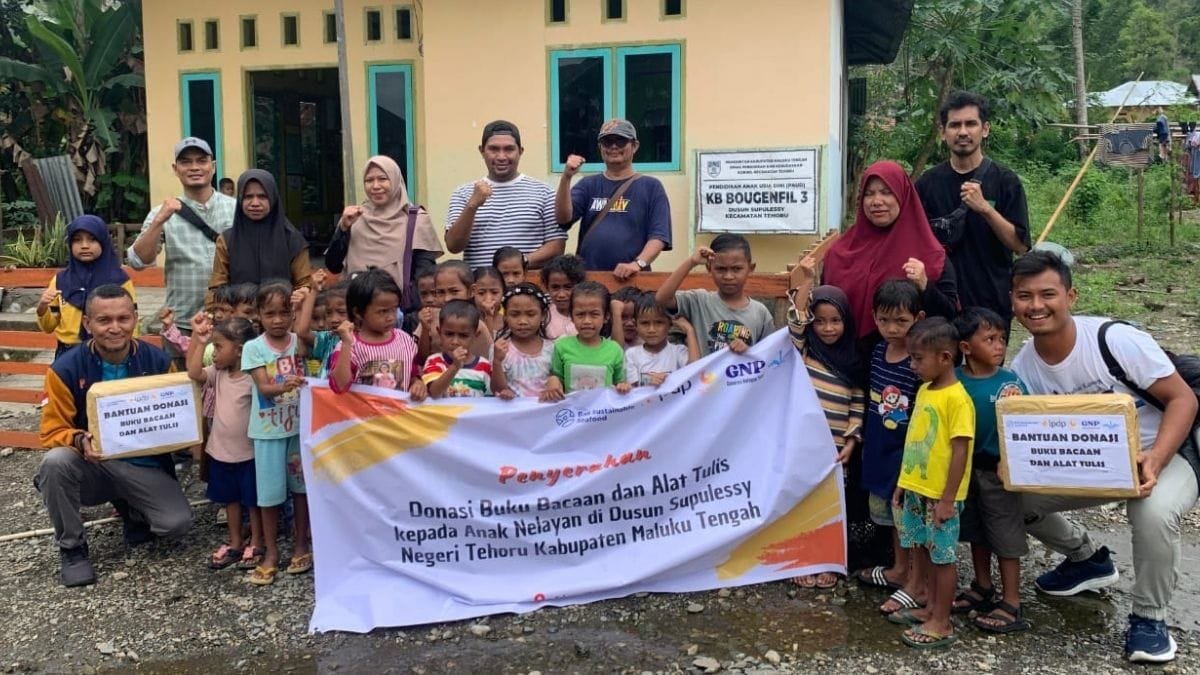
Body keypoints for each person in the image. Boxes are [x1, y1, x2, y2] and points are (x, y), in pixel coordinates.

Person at [1009, 250, 1198, 664]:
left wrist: (1156, 458)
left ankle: (1150, 618)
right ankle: (1086, 559)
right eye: (1025, 296)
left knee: (1153, 512)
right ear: (1013, 301)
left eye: (1048, 294)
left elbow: (1183, 400)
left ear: (1071, 296)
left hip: (1168, 450)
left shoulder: (1113, 341)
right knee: (1008, 497)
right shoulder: (1024, 367)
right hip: (1093, 463)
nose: (1036, 305)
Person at [35, 285, 192, 587]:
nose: (115, 328)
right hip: (94, 463)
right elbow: (51, 431)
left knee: (176, 524)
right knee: (55, 463)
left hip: (144, 466)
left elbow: (178, 417)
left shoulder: (158, 362)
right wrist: (78, 439)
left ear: (135, 319)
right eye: (104, 320)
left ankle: (131, 508)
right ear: (87, 323)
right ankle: (72, 549)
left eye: (123, 318)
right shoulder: (64, 370)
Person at [891, 317, 974, 649]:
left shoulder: (958, 399)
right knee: (922, 547)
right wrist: (903, 482)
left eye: (918, 358)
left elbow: (960, 451)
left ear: (945, 357)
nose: (912, 365)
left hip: (941, 495)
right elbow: (915, 438)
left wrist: (948, 499)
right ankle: (928, 606)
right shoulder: (925, 390)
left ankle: (942, 621)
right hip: (917, 488)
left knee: (943, 556)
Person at [915, 91, 1029, 333]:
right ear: (943, 131)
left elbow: (1020, 245)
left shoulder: (1005, 181)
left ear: (985, 129)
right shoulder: (927, 184)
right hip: (941, 305)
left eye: (971, 124)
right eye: (955, 125)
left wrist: (986, 209)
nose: (963, 132)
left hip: (991, 302)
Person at [786, 254, 866, 588]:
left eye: (835, 321)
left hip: (836, 449)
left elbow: (858, 400)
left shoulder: (853, 358)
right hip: (805, 444)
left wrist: (852, 439)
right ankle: (801, 558)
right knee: (803, 502)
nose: (828, 328)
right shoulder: (805, 351)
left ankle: (829, 560)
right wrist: (806, 280)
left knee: (832, 505)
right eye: (820, 321)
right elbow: (796, 322)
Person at [950, 307, 1030, 633]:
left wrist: (1012, 460)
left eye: (1002, 339)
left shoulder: (1010, 384)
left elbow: (1027, 426)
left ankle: (1012, 601)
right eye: (990, 339)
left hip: (999, 473)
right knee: (975, 529)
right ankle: (982, 585)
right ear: (965, 347)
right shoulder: (953, 382)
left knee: (1006, 534)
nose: (999, 346)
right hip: (964, 470)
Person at [826, 161, 958, 350]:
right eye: (869, 193)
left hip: (907, 361)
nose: (876, 201)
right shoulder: (839, 252)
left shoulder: (929, 253)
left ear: (903, 195)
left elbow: (950, 315)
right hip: (846, 358)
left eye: (886, 192)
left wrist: (925, 286)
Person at [128, 137, 236, 359]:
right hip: (181, 325)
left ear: (213, 166)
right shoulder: (163, 212)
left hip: (231, 322)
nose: (195, 167)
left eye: (201, 161)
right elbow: (138, 262)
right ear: (175, 169)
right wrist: (159, 221)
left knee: (233, 381)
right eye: (186, 162)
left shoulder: (235, 209)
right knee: (181, 381)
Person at [854, 280, 925, 614]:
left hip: (906, 452)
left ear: (918, 318)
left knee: (909, 518)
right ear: (874, 317)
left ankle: (917, 581)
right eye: (884, 320)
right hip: (878, 448)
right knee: (890, 516)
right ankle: (899, 569)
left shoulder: (919, 361)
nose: (892, 328)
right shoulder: (878, 351)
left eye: (901, 321)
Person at [241, 282, 310, 586]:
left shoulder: (301, 341)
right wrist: (285, 385)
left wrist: (308, 299)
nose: (278, 320)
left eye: (284, 313)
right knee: (269, 496)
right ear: (258, 315)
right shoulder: (253, 348)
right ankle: (271, 552)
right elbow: (264, 387)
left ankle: (301, 546)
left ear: (293, 313)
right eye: (270, 314)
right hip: (268, 433)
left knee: (301, 490)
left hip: (298, 429)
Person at [186, 314, 263, 570]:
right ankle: (235, 541)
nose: (214, 353)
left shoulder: (253, 378)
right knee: (230, 500)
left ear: (239, 350)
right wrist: (199, 340)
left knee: (253, 501)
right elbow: (193, 372)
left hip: (249, 453)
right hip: (221, 452)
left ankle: (258, 541)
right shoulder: (218, 374)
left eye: (218, 347)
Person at [556, 119, 672, 277]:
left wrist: (638, 264)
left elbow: (659, 236)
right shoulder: (588, 184)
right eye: (607, 141)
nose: (614, 146)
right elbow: (563, 219)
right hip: (589, 280)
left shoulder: (651, 187)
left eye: (621, 141)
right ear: (600, 147)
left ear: (635, 146)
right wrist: (566, 177)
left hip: (632, 279)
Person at [445, 120, 566, 270]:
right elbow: (453, 246)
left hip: (528, 284)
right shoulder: (463, 193)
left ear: (520, 151)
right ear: (482, 151)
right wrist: (472, 206)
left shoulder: (545, 192)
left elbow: (557, 246)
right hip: (480, 284)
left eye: (509, 149)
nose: (501, 156)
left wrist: (520, 263)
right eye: (493, 149)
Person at [325, 156, 443, 301]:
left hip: (398, 308)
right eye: (369, 180)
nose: (375, 186)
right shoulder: (354, 217)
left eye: (382, 179)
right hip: (357, 307)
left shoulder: (415, 219)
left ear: (395, 180)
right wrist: (343, 228)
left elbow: (424, 274)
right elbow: (333, 266)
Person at [655, 234, 775, 357]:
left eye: (736, 269)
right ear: (709, 268)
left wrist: (748, 351)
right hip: (705, 370)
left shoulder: (760, 313)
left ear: (751, 268)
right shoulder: (699, 301)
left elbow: (770, 355)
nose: (728, 276)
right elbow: (662, 299)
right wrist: (691, 262)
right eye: (721, 269)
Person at [37, 215, 139, 359]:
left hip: (110, 353)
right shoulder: (61, 281)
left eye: (92, 239)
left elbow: (131, 321)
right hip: (68, 355)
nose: (84, 245)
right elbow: (49, 327)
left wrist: (131, 356)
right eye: (77, 240)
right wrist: (42, 308)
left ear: (103, 242)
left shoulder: (119, 280)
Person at [207, 170, 312, 304]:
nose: (255, 203)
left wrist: (303, 292)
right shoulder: (227, 240)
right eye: (248, 196)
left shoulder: (291, 239)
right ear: (240, 199)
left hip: (281, 314)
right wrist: (213, 312)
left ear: (273, 198)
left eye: (262, 196)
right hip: (240, 315)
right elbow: (217, 288)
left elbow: (304, 283)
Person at [328, 269, 426, 401]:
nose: (391, 317)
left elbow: (413, 373)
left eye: (394, 309)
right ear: (358, 312)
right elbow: (339, 386)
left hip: (399, 413)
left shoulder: (404, 339)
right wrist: (346, 344)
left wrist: (417, 383)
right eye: (383, 311)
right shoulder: (350, 346)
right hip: (365, 414)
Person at [545, 281, 631, 397]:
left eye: (594, 314)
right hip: (573, 408)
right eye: (580, 314)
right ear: (572, 316)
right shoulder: (561, 346)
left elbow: (619, 382)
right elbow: (557, 377)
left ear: (606, 316)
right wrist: (553, 380)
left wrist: (623, 386)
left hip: (603, 408)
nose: (587, 321)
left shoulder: (614, 350)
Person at [423, 300, 504, 399]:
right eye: (449, 334)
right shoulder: (434, 361)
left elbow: (491, 399)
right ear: (439, 333)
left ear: (475, 336)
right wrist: (455, 367)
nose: (455, 342)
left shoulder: (485, 366)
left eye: (463, 336)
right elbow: (434, 392)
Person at [493, 283, 560, 401]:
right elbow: (496, 389)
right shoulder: (501, 348)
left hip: (545, 410)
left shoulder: (553, 348)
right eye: (515, 315)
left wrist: (554, 384)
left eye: (530, 314)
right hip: (513, 410)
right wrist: (497, 362)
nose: (523, 321)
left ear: (543, 315)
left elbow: (559, 379)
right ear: (505, 316)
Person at [418, 261, 492, 360]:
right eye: (440, 292)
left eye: (454, 291)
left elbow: (488, 360)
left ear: (472, 291)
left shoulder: (478, 326)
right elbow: (421, 359)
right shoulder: (430, 318)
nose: (447, 298)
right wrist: (425, 329)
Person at [624, 294, 699, 387]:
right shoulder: (631, 354)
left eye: (659, 322)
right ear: (636, 325)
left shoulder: (678, 351)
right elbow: (631, 384)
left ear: (670, 324)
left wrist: (690, 331)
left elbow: (695, 370)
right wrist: (649, 380)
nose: (651, 330)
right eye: (645, 323)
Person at [295, 272, 349, 379]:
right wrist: (314, 290)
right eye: (328, 313)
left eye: (342, 312)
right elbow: (302, 332)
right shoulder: (329, 338)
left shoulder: (361, 343)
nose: (334, 319)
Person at [541, 254, 586, 339]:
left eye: (568, 287)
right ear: (547, 287)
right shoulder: (544, 317)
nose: (561, 295)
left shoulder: (588, 316)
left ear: (580, 286)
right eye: (555, 287)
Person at [472, 266, 506, 338]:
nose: (488, 299)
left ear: (503, 292)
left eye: (494, 292)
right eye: (481, 293)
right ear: (472, 292)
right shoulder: (467, 321)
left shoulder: (508, 321)